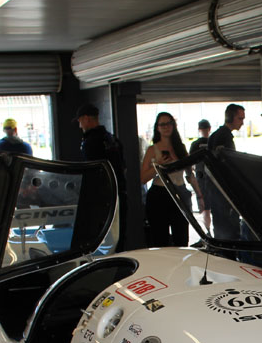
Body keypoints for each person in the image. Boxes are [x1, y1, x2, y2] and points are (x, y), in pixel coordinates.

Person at [140, 112, 204, 247]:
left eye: (169, 123)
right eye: (162, 124)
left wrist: (199, 196)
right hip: (159, 195)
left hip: (180, 194)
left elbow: (190, 174)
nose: (166, 127)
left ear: (173, 125)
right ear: (157, 128)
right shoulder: (152, 149)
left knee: (182, 239)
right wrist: (158, 165)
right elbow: (143, 178)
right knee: (160, 240)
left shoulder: (180, 148)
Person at [204, 104, 246, 240]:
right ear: (230, 117)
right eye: (240, 118)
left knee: (222, 227)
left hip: (217, 190)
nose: (242, 122)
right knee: (228, 229)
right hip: (222, 191)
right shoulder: (223, 136)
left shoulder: (218, 135)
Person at [76, 103, 127, 187]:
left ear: (86, 119)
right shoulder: (112, 139)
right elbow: (123, 167)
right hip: (118, 188)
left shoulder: (90, 143)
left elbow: (91, 173)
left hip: (101, 190)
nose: (80, 126)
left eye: (80, 122)